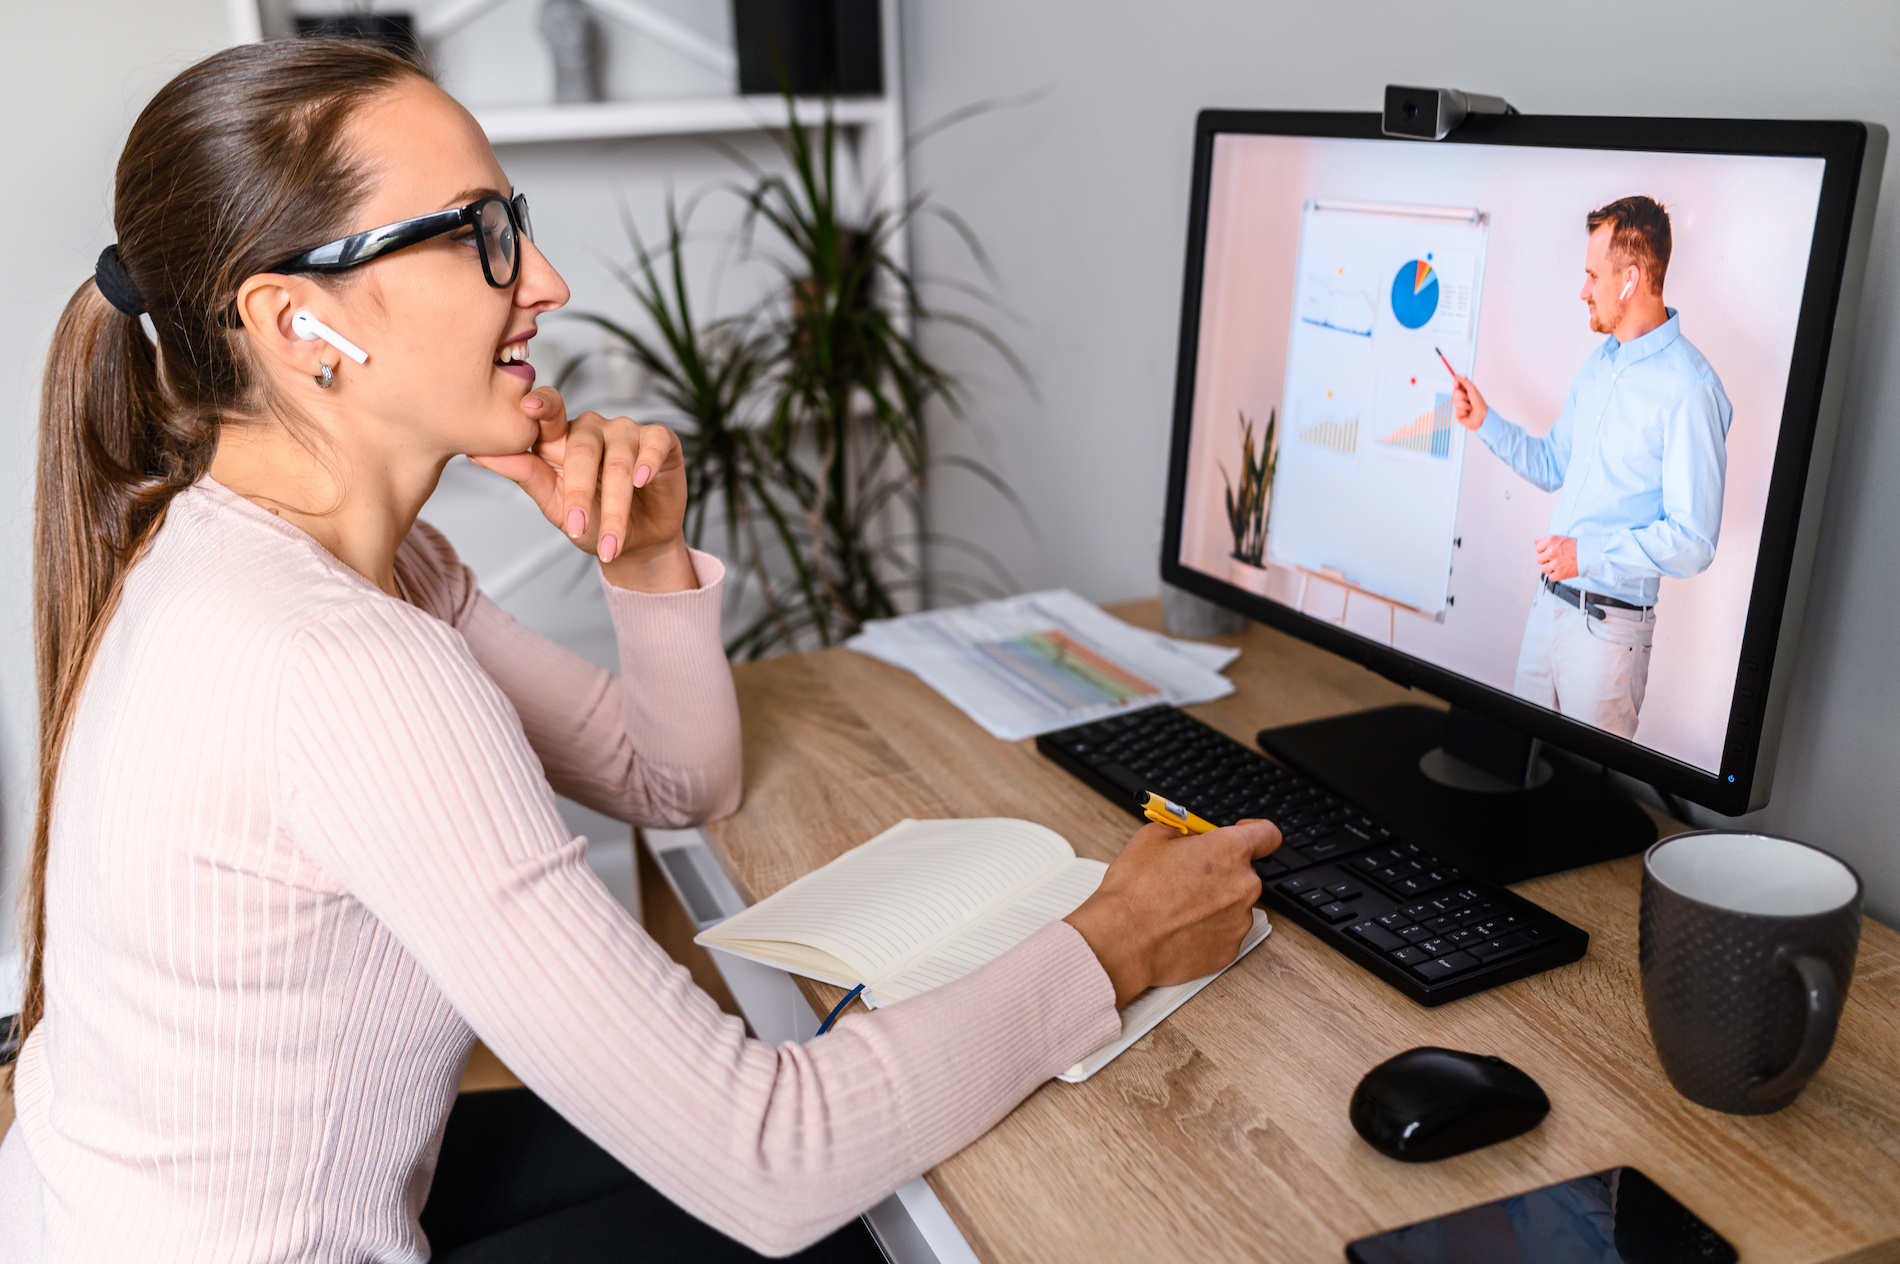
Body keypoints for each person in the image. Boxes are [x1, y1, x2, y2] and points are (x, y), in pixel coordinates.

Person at [0, 41, 1278, 1262]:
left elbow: (679, 786)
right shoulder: (335, 661)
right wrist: (1116, 943)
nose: (543, 279)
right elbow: (770, 1158)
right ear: (296, 323)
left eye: (518, 217)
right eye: (478, 234)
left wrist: (645, 555)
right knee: (889, 1219)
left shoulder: (284, 555)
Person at [1450, 196, 1732, 739]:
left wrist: (1590, 552)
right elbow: (1554, 463)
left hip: (1608, 635)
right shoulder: (1598, 367)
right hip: (1547, 612)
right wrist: (1484, 421)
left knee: (1583, 797)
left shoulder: (1692, 389)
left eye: (1592, 276)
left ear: (1630, 280)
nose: (1582, 290)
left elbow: (1694, 539)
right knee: (1518, 771)